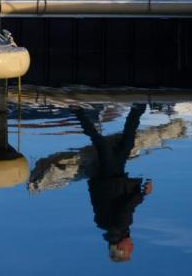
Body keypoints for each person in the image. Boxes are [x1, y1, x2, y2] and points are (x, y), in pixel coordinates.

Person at [75, 104, 153, 263]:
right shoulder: (105, 226)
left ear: (121, 247)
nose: (132, 246)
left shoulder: (119, 226)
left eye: (130, 249)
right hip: (111, 179)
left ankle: (78, 112)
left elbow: (127, 206)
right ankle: (137, 109)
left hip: (109, 178)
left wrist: (144, 193)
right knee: (126, 144)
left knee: (102, 145)